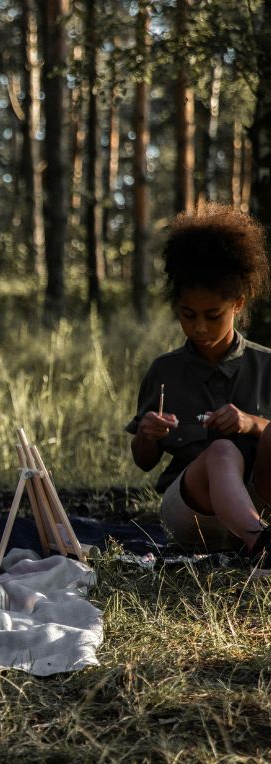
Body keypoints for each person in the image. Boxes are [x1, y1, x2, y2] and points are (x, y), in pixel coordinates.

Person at [126, 202, 271, 568]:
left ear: (237, 304)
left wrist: (251, 423)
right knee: (223, 452)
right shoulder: (165, 371)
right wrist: (147, 435)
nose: (200, 328)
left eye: (213, 316)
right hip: (192, 514)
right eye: (189, 316)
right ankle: (261, 546)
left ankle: (257, 534)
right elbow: (145, 462)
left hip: (261, 500)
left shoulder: (266, 364)